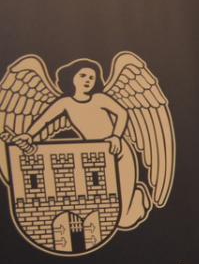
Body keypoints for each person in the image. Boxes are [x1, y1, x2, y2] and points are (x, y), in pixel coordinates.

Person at [12, 59, 148, 228]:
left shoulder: (99, 98)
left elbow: (122, 114)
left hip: (118, 151)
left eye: (91, 77)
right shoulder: (65, 103)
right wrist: (28, 135)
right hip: (97, 157)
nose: (87, 80)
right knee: (114, 215)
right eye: (82, 75)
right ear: (72, 78)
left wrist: (116, 136)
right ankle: (137, 200)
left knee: (123, 219)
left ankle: (139, 196)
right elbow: (44, 120)